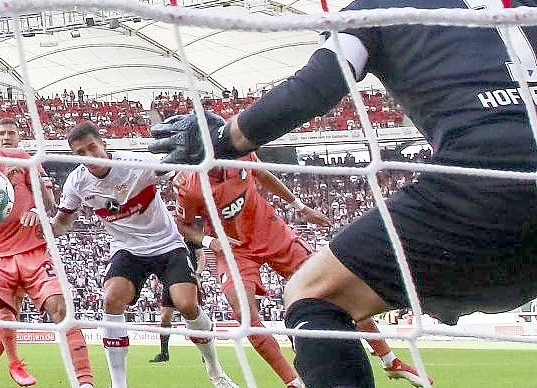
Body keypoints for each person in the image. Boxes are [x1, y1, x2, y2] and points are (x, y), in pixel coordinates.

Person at [149, 0, 537, 386]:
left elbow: (313, 90)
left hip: (478, 187)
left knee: (311, 296)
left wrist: (221, 140)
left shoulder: (380, 4)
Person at [173, 154, 430, 387]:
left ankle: (390, 360)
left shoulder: (240, 153)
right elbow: (184, 225)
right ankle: (294, 383)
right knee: (246, 316)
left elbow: (263, 174)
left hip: (272, 234)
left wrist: (300, 207)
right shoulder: (188, 185)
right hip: (234, 249)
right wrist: (209, 242)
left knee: (336, 289)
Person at [51, 121, 239, 388]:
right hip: (127, 249)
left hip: (167, 244)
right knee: (111, 298)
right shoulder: (77, 182)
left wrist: (182, 176)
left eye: (92, 147)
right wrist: (45, 226)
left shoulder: (137, 163)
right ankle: (119, 384)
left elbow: (177, 173)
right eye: (80, 153)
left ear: (103, 144)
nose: (89, 156)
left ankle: (215, 370)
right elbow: (62, 223)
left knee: (186, 305)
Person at [0, 105, 92, 388]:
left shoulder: (20, 156)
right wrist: (1, 183)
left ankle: (85, 382)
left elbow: (49, 204)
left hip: (34, 250)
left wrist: (38, 210)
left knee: (62, 309)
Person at [0, 117, 55, 388]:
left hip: (28, 244)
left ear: (19, 137)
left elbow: (49, 201)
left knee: (11, 311)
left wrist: (35, 210)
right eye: (1, 133)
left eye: (11, 132)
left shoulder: (27, 162)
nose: (6, 136)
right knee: (3, 311)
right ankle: (11, 362)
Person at [147, 241, 206, 363]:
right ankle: (164, 353)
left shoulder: (188, 236)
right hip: (169, 281)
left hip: (187, 279)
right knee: (165, 317)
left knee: (195, 316)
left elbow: (201, 255)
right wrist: (155, 277)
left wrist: (198, 274)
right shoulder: (167, 237)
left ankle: (206, 352)